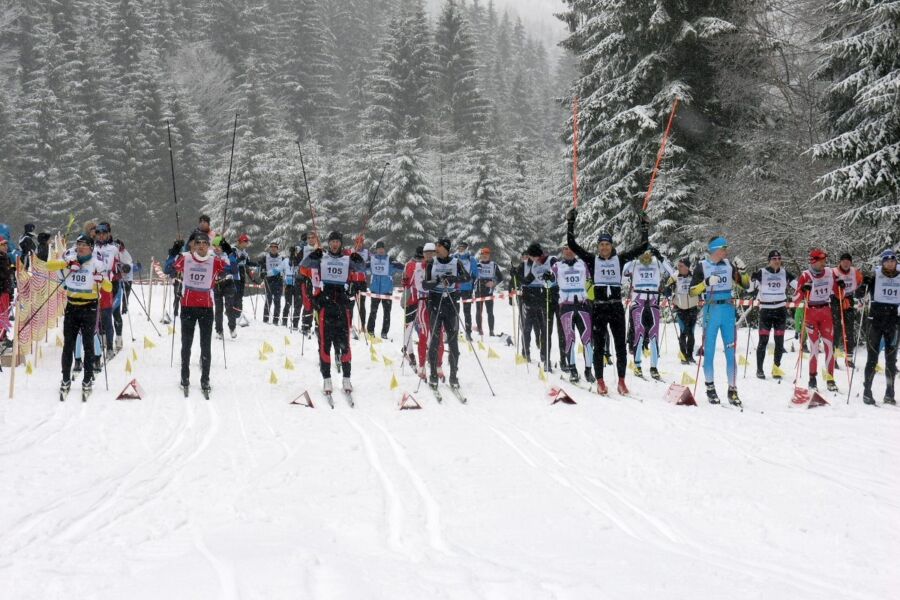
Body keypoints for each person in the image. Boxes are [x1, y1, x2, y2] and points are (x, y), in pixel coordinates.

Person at [566, 208, 649, 395]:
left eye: (607, 244)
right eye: (601, 244)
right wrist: (570, 222)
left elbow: (643, 247)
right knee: (599, 346)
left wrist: (644, 225)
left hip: (616, 308)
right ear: (598, 247)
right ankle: (601, 381)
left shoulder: (619, 260)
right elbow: (572, 244)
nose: (604, 247)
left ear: (612, 246)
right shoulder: (592, 260)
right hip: (599, 309)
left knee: (620, 345)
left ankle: (621, 381)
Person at [300, 231, 366, 393]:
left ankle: (346, 379)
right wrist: (313, 255)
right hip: (325, 304)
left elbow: (363, 268)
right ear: (328, 243)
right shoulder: (322, 257)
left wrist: (359, 259)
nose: (335, 244)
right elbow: (304, 265)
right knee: (324, 343)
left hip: (342, 305)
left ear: (341, 243)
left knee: (345, 344)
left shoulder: (346, 259)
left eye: (337, 241)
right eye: (332, 242)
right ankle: (327, 379)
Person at [47, 234, 111, 398]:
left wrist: (101, 280)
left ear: (91, 247)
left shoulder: (97, 263)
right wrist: (68, 264)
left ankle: (87, 379)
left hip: (89, 308)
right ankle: (65, 379)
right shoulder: (70, 258)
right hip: (72, 306)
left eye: (84, 245)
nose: (80, 248)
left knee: (88, 345)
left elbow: (109, 288)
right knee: (68, 345)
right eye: (78, 245)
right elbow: (49, 265)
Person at [689, 236, 750, 404]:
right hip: (711, 309)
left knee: (731, 351)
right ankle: (710, 388)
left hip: (728, 311)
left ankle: (733, 390)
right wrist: (706, 282)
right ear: (716, 249)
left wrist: (743, 273)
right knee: (709, 352)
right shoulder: (702, 266)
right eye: (724, 248)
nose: (726, 251)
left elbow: (746, 286)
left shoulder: (729, 265)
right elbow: (692, 292)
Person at [166, 231, 227, 396]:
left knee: (205, 345)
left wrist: (224, 248)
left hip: (206, 308)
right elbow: (169, 268)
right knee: (186, 344)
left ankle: (205, 379)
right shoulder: (185, 258)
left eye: (204, 243)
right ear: (193, 245)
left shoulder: (214, 260)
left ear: (208, 246)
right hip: (188, 306)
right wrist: (175, 250)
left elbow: (232, 267)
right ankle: (184, 377)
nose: (201, 246)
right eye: (198, 243)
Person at [422, 238, 470, 388]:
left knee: (453, 340)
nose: (436, 248)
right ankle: (433, 375)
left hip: (451, 302)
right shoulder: (432, 262)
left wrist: (451, 278)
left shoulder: (456, 262)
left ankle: (454, 375)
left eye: (439, 246)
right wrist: (437, 280)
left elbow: (467, 277)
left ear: (446, 248)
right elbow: (425, 284)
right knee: (435, 340)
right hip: (435, 302)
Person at [793, 249, 841, 392]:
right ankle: (812, 378)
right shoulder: (805, 275)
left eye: (824, 261)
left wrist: (840, 286)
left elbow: (840, 294)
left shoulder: (830, 272)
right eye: (821, 261)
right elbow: (795, 300)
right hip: (811, 313)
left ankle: (830, 379)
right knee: (814, 346)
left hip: (826, 311)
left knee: (829, 346)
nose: (824, 263)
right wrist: (803, 290)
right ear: (813, 261)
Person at [624, 248, 674, 380]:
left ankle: (654, 367)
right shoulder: (635, 263)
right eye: (643, 253)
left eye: (648, 253)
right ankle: (637, 365)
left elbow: (673, 273)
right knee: (639, 332)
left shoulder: (657, 263)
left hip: (653, 301)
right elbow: (623, 274)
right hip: (638, 301)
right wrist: (631, 256)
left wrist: (661, 257)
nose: (646, 256)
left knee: (654, 334)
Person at [748, 250, 797, 380]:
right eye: (774, 258)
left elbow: (798, 286)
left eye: (779, 258)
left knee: (779, 342)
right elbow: (750, 289)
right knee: (763, 341)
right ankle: (759, 369)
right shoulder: (762, 273)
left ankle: (776, 368)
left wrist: (806, 287)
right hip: (766, 311)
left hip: (780, 310)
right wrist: (752, 279)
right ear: (769, 260)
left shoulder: (784, 273)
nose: (777, 261)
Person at [552, 241, 595, 384]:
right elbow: (549, 280)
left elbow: (594, 275)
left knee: (587, 339)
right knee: (569, 338)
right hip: (566, 306)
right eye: (565, 249)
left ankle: (588, 370)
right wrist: (547, 278)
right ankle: (573, 370)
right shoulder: (557, 266)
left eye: (571, 249)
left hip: (583, 305)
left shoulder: (583, 264)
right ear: (562, 251)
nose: (568, 251)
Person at [860, 249, 899, 405]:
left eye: (893, 261)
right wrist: (864, 283)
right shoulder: (875, 277)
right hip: (875, 321)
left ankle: (889, 393)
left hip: (893, 322)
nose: (890, 263)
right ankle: (867, 391)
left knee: (891, 360)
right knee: (872, 358)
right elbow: (859, 295)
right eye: (887, 261)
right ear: (882, 262)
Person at [366, 240, 404, 339]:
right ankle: (370, 331)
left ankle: (384, 333)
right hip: (375, 291)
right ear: (376, 250)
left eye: (382, 248)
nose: (381, 250)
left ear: (384, 249)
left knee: (387, 313)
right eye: (379, 249)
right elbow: (362, 268)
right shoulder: (372, 259)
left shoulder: (390, 260)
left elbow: (403, 268)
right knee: (373, 312)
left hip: (387, 291)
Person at [831, 253, 864, 365]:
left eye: (848, 261)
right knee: (836, 329)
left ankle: (849, 358)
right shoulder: (834, 272)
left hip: (849, 298)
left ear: (851, 262)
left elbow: (861, 284)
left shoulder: (855, 272)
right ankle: (833, 358)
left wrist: (861, 294)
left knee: (849, 329)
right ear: (840, 262)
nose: (846, 263)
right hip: (836, 299)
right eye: (843, 261)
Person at [93, 222, 119, 361]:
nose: (101, 236)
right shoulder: (92, 247)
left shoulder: (113, 249)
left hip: (106, 286)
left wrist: (118, 275)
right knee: (93, 319)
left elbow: (117, 267)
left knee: (107, 318)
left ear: (108, 233)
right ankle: (96, 348)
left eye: (104, 233)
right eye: (98, 233)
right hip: (92, 285)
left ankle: (109, 348)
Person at [666, 258, 700, 365]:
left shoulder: (694, 276)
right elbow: (666, 287)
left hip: (693, 307)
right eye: (678, 266)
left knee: (691, 333)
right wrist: (666, 290)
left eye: (681, 266)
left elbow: (701, 287)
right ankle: (683, 356)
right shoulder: (674, 277)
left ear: (687, 267)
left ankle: (690, 356)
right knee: (683, 331)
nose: (678, 268)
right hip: (680, 308)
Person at [401, 245, 425, 368]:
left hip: (423, 299)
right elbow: (405, 281)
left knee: (421, 326)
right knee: (409, 326)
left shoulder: (427, 263)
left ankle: (421, 349)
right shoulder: (410, 264)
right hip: (412, 299)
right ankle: (409, 352)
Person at [212, 236, 239, 339]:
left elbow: (234, 269)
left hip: (228, 283)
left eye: (219, 246)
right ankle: (219, 330)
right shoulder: (211, 255)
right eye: (215, 246)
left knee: (229, 307)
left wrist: (224, 267)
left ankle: (232, 327)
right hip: (217, 284)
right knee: (218, 309)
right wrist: (222, 267)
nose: (217, 248)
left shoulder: (228, 255)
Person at [473, 247, 504, 337]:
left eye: (486, 254)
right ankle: (480, 330)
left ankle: (491, 331)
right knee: (479, 311)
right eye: (483, 254)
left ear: (489, 255)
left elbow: (500, 277)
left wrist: (493, 283)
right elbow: (472, 276)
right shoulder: (477, 264)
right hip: (479, 289)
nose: (484, 256)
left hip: (488, 290)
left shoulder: (493, 265)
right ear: (481, 255)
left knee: (490, 311)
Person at [453, 242, 478, 340]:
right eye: (459, 248)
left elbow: (475, 273)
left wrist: (472, 284)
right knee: (455, 312)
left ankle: (468, 333)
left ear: (467, 249)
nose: (461, 250)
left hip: (467, 289)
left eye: (463, 248)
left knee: (467, 312)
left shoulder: (471, 259)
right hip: (456, 288)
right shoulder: (454, 257)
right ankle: (454, 332)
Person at [348, 235, 370, 336]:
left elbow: (369, 266)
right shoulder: (350, 252)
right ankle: (349, 325)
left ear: (363, 243)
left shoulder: (366, 253)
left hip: (362, 282)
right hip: (352, 281)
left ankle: (363, 326)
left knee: (362, 305)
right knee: (351, 304)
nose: (359, 244)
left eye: (360, 242)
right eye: (357, 242)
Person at [299, 231, 320, 336]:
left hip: (317, 280)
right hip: (306, 278)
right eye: (309, 238)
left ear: (316, 239)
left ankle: (317, 326)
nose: (311, 239)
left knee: (317, 304)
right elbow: (297, 263)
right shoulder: (303, 249)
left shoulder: (320, 249)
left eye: (313, 237)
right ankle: (305, 326)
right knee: (307, 303)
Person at [261, 241, 283, 324]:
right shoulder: (265, 258)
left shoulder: (282, 258)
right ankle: (265, 319)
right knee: (268, 300)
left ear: (277, 249)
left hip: (278, 281)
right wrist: (262, 273)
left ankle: (276, 320)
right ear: (270, 248)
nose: (273, 248)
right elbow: (262, 267)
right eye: (272, 247)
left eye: (275, 247)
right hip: (269, 281)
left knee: (277, 301)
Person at [282, 245, 302, 329]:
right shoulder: (286, 260)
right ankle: (284, 322)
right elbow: (281, 270)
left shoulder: (301, 260)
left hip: (298, 285)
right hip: (289, 285)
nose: (296, 253)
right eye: (294, 252)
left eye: (297, 252)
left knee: (298, 305)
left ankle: (295, 324)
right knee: (288, 303)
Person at [234, 234, 252, 326]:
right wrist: (239, 259)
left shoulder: (245, 252)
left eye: (246, 242)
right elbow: (231, 262)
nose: (245, 244)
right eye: (244, 242)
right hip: (235, 272)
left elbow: (247, 263)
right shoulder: (233, 250)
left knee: (240, 294)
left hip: (242, 272)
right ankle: (233, 313)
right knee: (235, 294)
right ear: (239, 242)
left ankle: (238, 313)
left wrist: (256, 264)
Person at [0, 236, 13, 345]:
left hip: (6, 290)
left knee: (5, 313)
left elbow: (6, 274)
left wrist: (12, 269)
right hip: (2, 292)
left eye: (6, 244)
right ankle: (2, 337)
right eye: (2, 245)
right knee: (2, 314)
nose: (5, 247)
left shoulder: (5, 257)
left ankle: (4, 335)